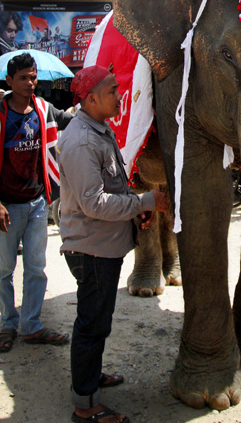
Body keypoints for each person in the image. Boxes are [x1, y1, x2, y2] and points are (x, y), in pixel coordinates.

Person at [58, 65, 169, 423]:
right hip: (91, 250)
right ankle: (86, 404)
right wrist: (145, 202)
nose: (120, 96)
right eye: (112, 91)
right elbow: (94, 203)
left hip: (102, 245)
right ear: (90, 99)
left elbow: (113, 187)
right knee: (91, 325)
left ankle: (89, 379)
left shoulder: (99, 129)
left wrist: (135, 214)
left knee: (99, 321)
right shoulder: (81, 141)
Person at [0, 52, 72, 353]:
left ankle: (31, 325)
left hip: (37, 203)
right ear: (9, 81)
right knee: (4, 269)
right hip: (6, 206)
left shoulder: (43, 109)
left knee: (36, 266)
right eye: (23, 78)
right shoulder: (1, 114)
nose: (30, 83)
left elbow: (70, 119)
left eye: (33, 77)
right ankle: (7, 324)